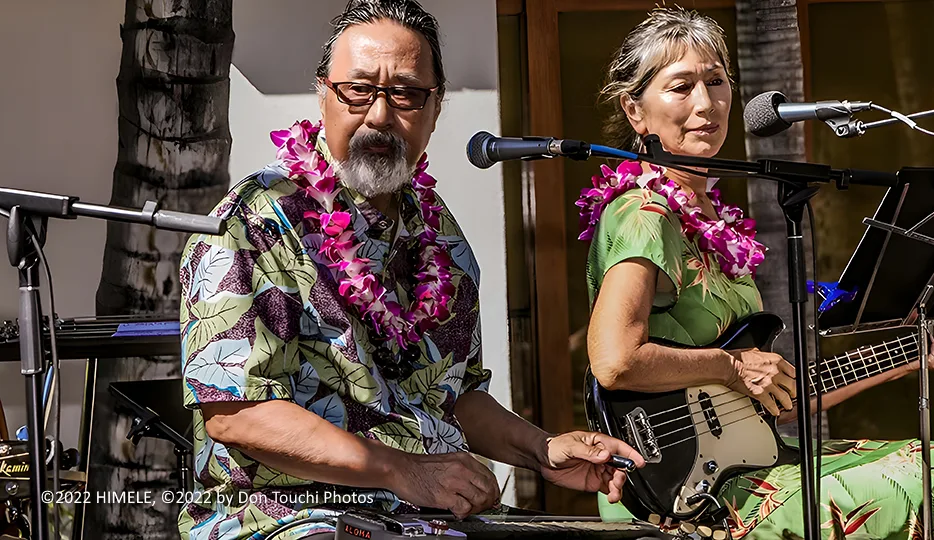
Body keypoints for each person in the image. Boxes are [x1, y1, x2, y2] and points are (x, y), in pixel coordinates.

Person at [178, 1, 643, 539]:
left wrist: (541, 448)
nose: (379, 115)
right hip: (294, 518)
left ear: (435, 106)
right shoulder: (253, 223)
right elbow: (236, 413)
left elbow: (457, 396)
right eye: (357, 89)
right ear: (324, 93)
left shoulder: (441, 237)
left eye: (404, 93)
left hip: (434, 518)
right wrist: (401, 471)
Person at [581, 7, 934, 539]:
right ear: (635, 112)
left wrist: (909, 357)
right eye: (681, 86)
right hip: (676, 490)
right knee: (931, 479)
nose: (705, 103)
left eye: (716, 82)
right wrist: (732, 367)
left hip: (744, 465)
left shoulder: (708, 218)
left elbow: (773, 400)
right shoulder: (641, 214)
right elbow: (614, 361)